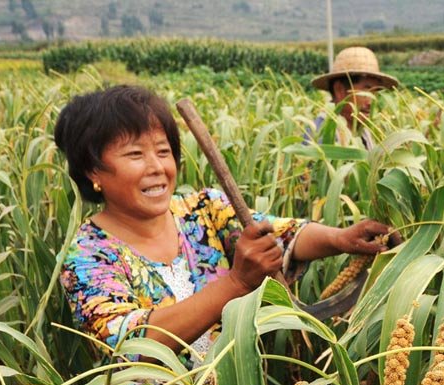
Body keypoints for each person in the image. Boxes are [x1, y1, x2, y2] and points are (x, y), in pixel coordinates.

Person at [55, 85, 397, 366]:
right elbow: (132, 343)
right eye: (134, 155)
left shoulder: (204, 210)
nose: (157, 166)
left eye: (163, 151)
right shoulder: (87, 257)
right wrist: (235, 283)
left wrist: (343, 238)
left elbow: (281, 235)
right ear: (93, 171)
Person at [310, 46, 399, 150]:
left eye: (375, 92)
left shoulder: (362, 132)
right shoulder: (322, 135)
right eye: (366, 91)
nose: (371, 102)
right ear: (339, 90)